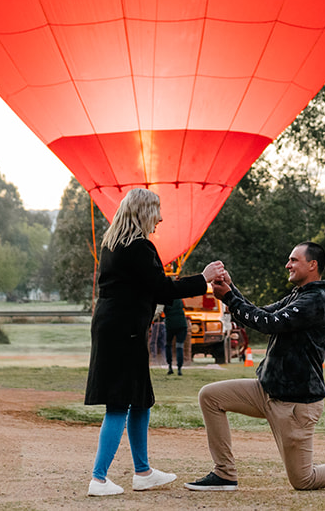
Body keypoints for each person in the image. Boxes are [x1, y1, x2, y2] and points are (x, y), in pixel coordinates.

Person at [185, 242, 325, 492]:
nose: (287, 264)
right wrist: (231, 289)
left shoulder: (318, 300)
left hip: (295, 403)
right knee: (211, 396)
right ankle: (224, 474)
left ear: (312, 265)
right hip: (267, 390)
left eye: (294, 260)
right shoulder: (301, 294)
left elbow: (268, 323)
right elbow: (260, 314)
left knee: (303, 480)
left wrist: (228, 296)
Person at [84, 187, 223, 497]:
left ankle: (143, 471)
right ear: (143, 212)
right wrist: (203, 278)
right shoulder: (138, 247)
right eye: (156, 212)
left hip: (115, 328)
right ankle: (99, 478)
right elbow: (162, 289)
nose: (160, 218)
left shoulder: (111, 245)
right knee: (119, 403)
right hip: (124, 332)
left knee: (140, 398)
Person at [163, 300, 189, 375]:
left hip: (170, 324)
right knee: (179, 346)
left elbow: (159, 310)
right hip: (181, 324)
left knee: (168, 345)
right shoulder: (179, 299)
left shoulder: (165, 299)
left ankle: (170, 366)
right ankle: (179, 369)